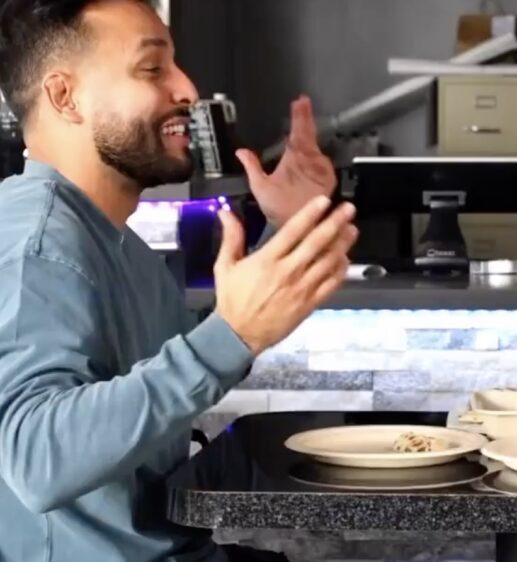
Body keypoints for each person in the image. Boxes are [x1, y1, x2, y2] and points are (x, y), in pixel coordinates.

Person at [0, 0, 358, 560]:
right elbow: (35, 459)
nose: (188, 89)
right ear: (65, 96)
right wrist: (231, 335)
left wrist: (286, 229)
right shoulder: (39, 245)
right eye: (152, 69)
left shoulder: (112, 239)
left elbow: (174, 363)